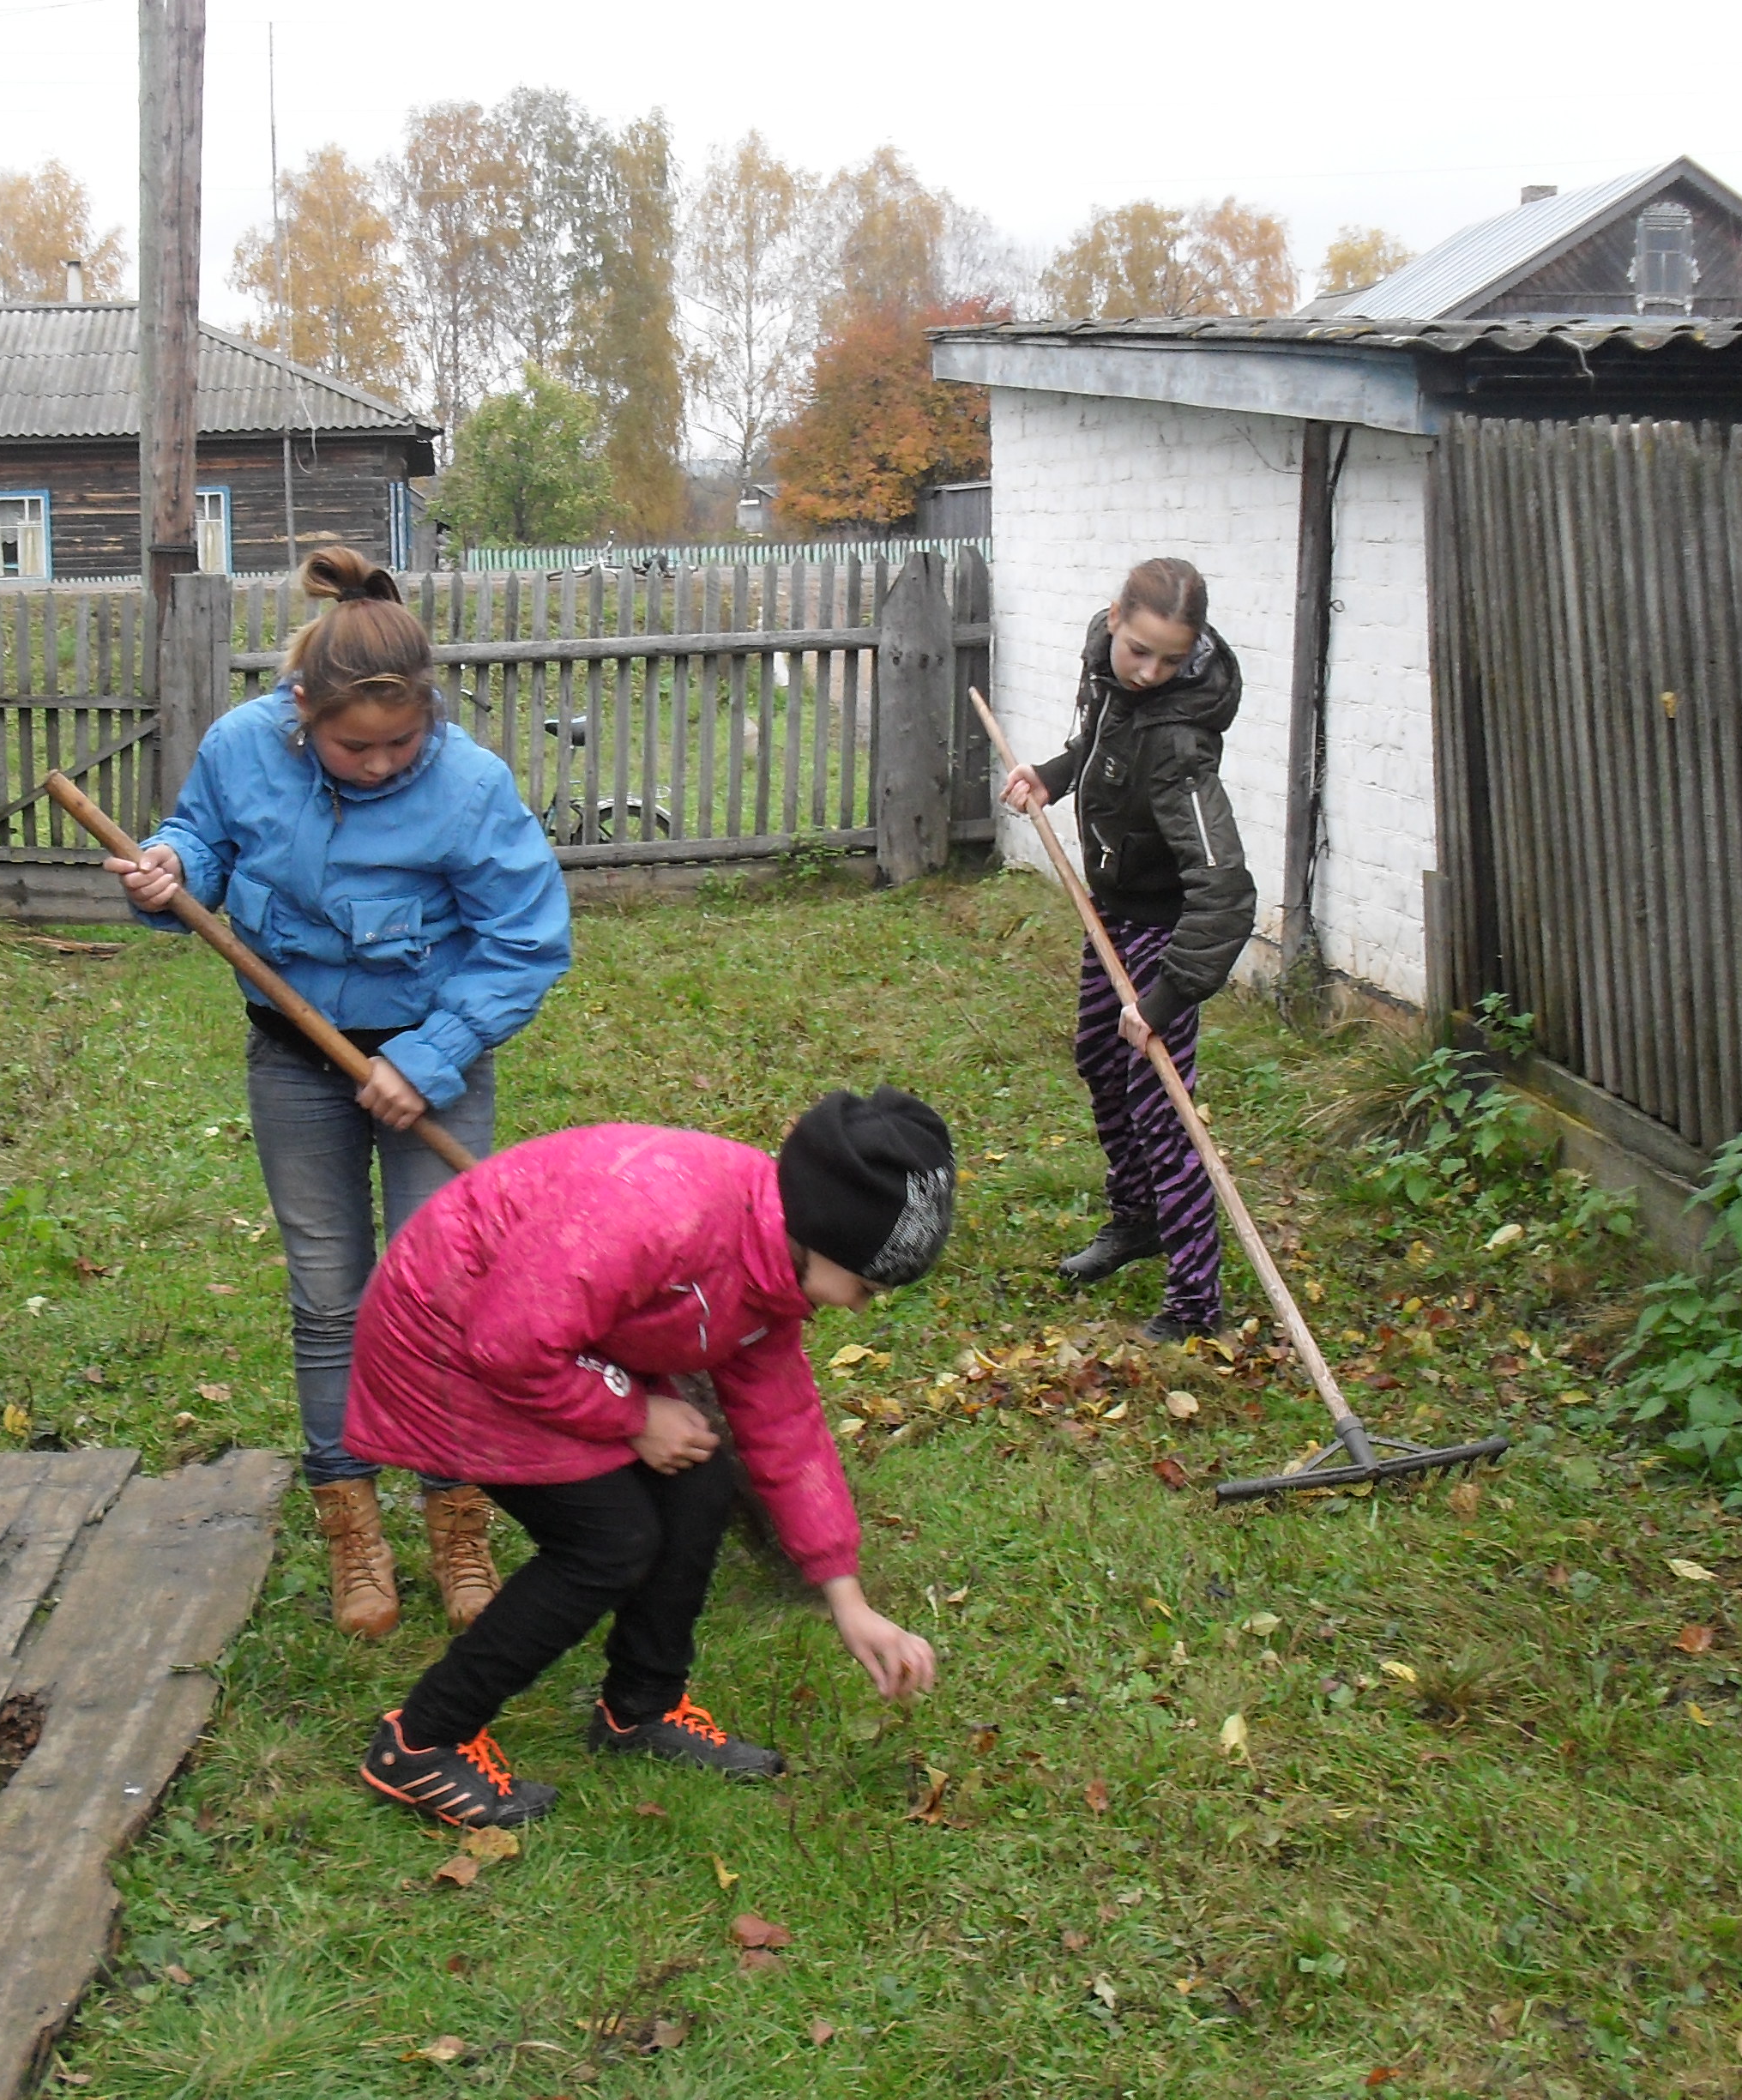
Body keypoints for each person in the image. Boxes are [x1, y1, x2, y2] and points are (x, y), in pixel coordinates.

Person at [110, 545, 571, 1641]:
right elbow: (203, 842)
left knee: (440, 1298)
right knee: (330, 1299)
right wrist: (169, 869)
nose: (376, 765)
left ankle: (455, 1519)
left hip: (430, 1069)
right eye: (351, 746)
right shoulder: (241, 749)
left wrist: (432, 1055)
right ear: (298, 711)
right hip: (297, 1059)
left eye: (400, 743)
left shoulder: (469, 784)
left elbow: (525, 939)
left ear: (430, 714)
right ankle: (350, 1523)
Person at [342, 1089, 954, 1828]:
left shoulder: (774, 1263)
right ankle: (421, 1739)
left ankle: (642, 1709)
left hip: (557, 1345)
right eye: (866, 1286)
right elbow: (510, 1346)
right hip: (449, 1338)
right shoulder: (663, 1213)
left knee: (697, 1479)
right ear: (824, 1234)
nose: (861, 1307)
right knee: (607, 1541)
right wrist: (633, 1415)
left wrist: (847, 1600)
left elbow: (785, 1425)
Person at [999, 557, 1255, 1343]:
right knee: (1098, 1060)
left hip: (1162, 932)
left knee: (1161, 1105)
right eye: (1139, 650)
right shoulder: (1104, 671)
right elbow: (1101, 744)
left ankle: (1194, 1303)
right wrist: (1049, 775)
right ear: (1115, 619)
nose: (1149, 673)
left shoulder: (1182, 744)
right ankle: (1138, 1220)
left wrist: (1165, 1000)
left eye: (1171, 661)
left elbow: (1225, 893)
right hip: (1109, 915)